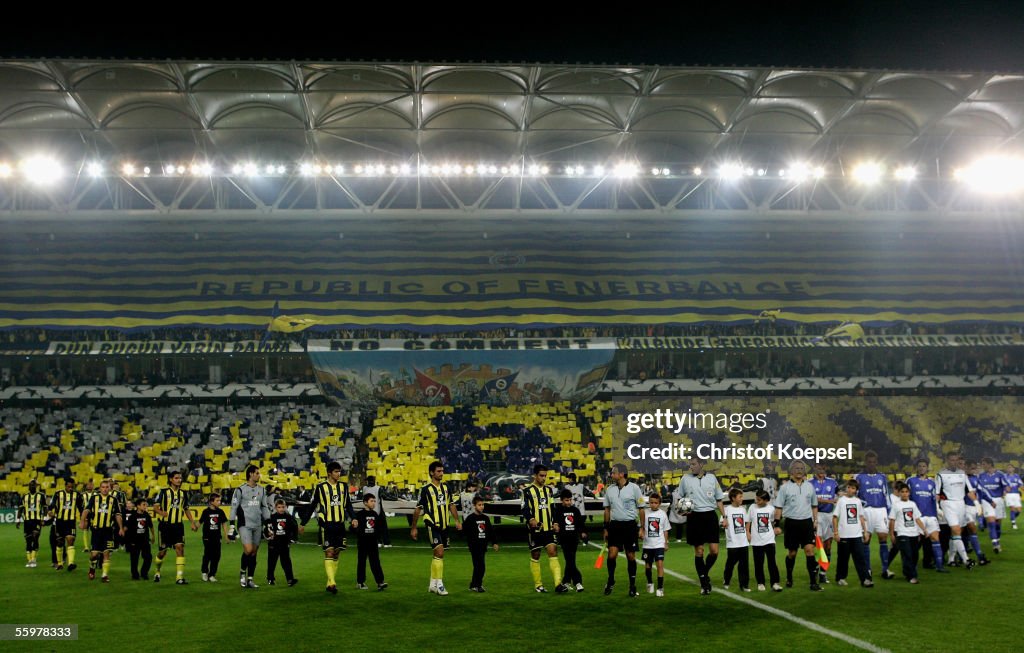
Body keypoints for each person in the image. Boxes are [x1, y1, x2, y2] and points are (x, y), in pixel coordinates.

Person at [300, 461, 355, 594]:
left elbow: (348, 504)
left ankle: (329, 583)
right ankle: (333, 583)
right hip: (327, 525)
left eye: (339, 471)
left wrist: (353, 518)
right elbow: (312, 506)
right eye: (336, 471)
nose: (339, 474)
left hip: (340, 525)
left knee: (336, 553)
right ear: (329, 473)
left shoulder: (343, 487)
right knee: (329, 552)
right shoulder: (320, 487)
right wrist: (303, 523)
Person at [410, 460, 462, 596]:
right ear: (432, 473)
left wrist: (457, 520)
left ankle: (432, 584)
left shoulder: (446, 488)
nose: (441, 473)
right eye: (439, 471)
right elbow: (418, 509)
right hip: (432, 525)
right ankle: (439, 584)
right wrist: (413, 527)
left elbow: (451, 505)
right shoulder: (426, 490)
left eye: (442, 471)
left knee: (438, 555)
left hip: (445, 526)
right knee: (439, 552)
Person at [676, 458, 724, 595]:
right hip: (694, 517)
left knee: (714, 551)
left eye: (693, 464)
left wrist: (724, 517)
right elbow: (680, 499)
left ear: (701, 464)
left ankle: (704, 572)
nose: (691, 467)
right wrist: (681, 510)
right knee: (700, 551)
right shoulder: (685, 479)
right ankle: (704, 583)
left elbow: (719, 499)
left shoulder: (712, 478)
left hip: (710, 516)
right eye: (690, 464)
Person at [775, 460, 822, 591]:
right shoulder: (785, 488)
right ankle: (789, 577)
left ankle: (813, 582)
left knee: (810, 551)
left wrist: (815, 520)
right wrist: (777, 524)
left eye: (802, 468)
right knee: (792, 553)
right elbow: (779, 507)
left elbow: (814, 505)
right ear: (791, 471)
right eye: (796, 468)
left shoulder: (809, 487)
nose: (799, 470)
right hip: (791, 523)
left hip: (806, 523)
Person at [602, 463, 646, 596]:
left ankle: (632, 586)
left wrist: (642, 528)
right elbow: (607, 509)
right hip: (615, 526)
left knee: (630, 556)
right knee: (612, 555)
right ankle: (611, 580)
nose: (611, 474)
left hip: (630, 526)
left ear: (621, 474)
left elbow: (641, 509)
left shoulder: (634, 488)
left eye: (613, 472)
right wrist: (606, 528)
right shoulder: (609, 489)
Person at [523, 464, 565, 593]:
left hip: (548, 528)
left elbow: (553, 508)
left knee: (553, 552)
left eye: (545, 476)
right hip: (535, 530)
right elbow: (524, 508)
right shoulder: (527, 491)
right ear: (535, 476)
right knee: (536, 555)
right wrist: (531, 519)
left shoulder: (549, 490)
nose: (543, 478)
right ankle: (538, 585)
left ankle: (558, 584)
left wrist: (556, 522)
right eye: (541, 476)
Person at [229, 465, 271, 589]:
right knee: (248, 550)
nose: (259, 475)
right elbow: (234, 507)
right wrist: (232, 525)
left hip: (257, 524)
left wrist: (268, 523)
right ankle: (242, 572)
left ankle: (250, 579)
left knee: (253, 553)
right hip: (245, 524)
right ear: (251, 474)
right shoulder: (240, 490)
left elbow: (264, 507)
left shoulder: (262, 490)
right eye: (257, 473)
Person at [153, 470, 199, 585]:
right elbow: (155, 506)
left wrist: (192, 522)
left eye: (180, 478)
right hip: (165, 526)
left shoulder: (183, 493)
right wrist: (161, 512)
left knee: (180, 548)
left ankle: (179, 577)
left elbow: (186, 508)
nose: (179, 480)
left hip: (178, 526)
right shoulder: (163, 492)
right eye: (177, 478)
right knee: (162, 552)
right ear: (170, 479)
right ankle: (157, 570)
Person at [855, 451, 894, 580]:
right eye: (869, 462)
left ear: (877, 462)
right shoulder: (859, 477)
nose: (872, 464)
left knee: (883, 538)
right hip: (866, 511)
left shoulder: (882, 477)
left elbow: (887, 495)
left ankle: (885, 569)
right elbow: (855, 497)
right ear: (866, 462)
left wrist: (889, 513)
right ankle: (868, 569)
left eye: (874, 462)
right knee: (866, 539)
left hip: (880, 510)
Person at [936, 451, 977, 568]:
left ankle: (951, 559)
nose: (954, 462)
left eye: (956, 460)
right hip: (948, 504)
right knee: (956, 529)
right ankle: (966, 560)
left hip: (961, 504)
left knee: (956, 533)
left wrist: (977, 503)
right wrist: (937, 507)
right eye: (952, 460)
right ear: (947, 460)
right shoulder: (941, 474)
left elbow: (969, 491)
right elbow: (937, 493)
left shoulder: (962, 473)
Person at [79, 479, 125, 583]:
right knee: (94, 554)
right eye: (103, 487)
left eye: (107, 487)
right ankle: (92, 568)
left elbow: (118, 514)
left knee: (106, 553)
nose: (105, 489)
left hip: (108, 530)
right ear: (100, 488)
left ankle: (104, 575)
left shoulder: (114, 500)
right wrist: (82, 521)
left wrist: (121, 528)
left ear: (110, 488)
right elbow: (86, 510)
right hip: (96, 530)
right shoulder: (94, 498)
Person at [908, 459, 947, 573]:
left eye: (924, 466)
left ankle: (939, 566)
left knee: (935, 538)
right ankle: (912, 566)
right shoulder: (911, 481)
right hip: (917, 516)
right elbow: (906, 497)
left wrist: (938, 510)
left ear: (927, 468)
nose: (921, 468)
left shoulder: (932, 483)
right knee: (916, 542)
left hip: (930, 515)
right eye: (919, 466)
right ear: (916, 468)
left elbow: (934, 498)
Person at [833, 479, 873, 587]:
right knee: (843, 558)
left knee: (860, 558)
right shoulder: (841, 500)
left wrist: (865, 531)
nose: (850, 490)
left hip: (856, 534)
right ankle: (840, 578)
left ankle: (865, 579)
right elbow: (835, 517)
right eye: (849, 487)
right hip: (844, 535)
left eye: (853, 488)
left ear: (856, 490)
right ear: (846, 488)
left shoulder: (858, 501)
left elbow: (861, 517)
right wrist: (836, 532)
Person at [889, 481, 925, 584]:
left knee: (915, 555)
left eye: (906, 491)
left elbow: (917, 518)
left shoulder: (912, 504)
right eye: (902, 492)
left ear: (909, 493)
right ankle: (911, 576)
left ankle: (907, 572)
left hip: (913, 533)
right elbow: (892, 520)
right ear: (899, 493)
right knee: (907, 554)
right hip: (902, 533)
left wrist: (923, 530)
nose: (905, 493)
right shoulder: (896, 505)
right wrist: (891, 534)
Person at [747, 489, 782, 591]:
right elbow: (748, 522)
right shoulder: (752, 508)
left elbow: (771, 522)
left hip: (769, 539)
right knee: (758, 563)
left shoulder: (771, 509)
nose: (757, 501)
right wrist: (748, 533)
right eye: (756, 499)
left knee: (772, 562)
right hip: (756, 541)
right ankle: (760, 583)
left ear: (766, 500)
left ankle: (775, 583)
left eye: (759, 500)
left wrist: (776, 529)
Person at [552, 488, 586, 591]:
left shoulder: (575, 510)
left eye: (570, 500)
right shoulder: (558, 511)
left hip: (574, 539)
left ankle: (566, 581)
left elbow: (580, 524)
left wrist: (583, 532)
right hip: (564, 539)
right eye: (567, 500)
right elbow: (555, 523)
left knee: (570, 561)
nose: (569, 502)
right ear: (561, 500)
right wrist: (555, 527)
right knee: (570, 561)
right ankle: (578, 582)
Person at [464, 495, 499, 592]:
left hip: (483, 546)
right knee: (480, 566)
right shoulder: (470, 518)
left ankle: (474, 585)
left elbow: (490, 531)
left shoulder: (485, 518)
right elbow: (464, 531)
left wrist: (494, 542)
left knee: (480, 567)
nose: (482, 506)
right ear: (474, 506)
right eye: (479, 505)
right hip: (474, 547)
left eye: (482, 505)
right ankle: (477, 585)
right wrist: (470, 542)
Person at [810, 463, 838, 584]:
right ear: (815, 469)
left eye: (823, 468)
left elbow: (838, 495)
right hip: (817, 515)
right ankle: (815, 572)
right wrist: (830, 501)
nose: (821, 470)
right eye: (818, 468)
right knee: (819, 544)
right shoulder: (810, 483)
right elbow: (813, 500)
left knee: (828, 546)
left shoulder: (833, 483)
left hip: (829, 515)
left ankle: (823, 573)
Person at [49, 477, 84, 572]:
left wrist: (83, 520)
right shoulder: (58, 494)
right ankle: (60, 563)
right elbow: (51, 505)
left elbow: (81, 508)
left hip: (70, 522)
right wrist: (49, 511)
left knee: (70, 540)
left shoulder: (77, 495)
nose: (70, 489)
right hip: (59, 522)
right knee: (60, 542)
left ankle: (71, 563)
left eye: (72, 487)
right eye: (69, 487)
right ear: (65, 486)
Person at [353, 493, 386, 590]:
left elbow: (378, 528)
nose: (374, 503)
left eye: (374, 501)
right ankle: (360, 582)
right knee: (362, 562)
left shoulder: (375, 514)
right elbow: (352, 528)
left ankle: (380, 582)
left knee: (376, 562)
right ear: (365, 503)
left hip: (373, 542)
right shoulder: (359, 514)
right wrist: (356, 529)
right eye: (371, 501)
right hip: (363, 542)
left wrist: (378, 538)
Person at [722, 487, 751, 592]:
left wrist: (748, 532)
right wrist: (723, 524)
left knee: (744, 565)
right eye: (740, 497)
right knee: (730, 564)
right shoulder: (726, 510)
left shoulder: (743, 509)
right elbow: (722, 522)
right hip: (732, 543)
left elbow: (747, 521)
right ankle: (726, 580)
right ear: (733, 498)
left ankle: (744, 585)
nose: (742, 498)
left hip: (743, 542)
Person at [641, 492, 670, 597]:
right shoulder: (644, 512)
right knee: (648, 566)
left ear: (659, 503)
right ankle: (649, 582)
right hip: (647, 545)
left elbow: (666, 530)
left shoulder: (662, 514)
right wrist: (641, 532)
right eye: (651, 502)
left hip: (659, 544)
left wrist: (666, 543)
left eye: (655, 503)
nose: (653, 504)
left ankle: (660, 588)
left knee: (660, 565)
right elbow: (641, 527)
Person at [977, 457, 1008, 553]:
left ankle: (997, 540)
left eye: (984, 464)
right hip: (987, 501)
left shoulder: (1000, 475)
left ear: (990, 464)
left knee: (998, 524)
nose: (982, 466)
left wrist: (1006, 490)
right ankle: (994, 543)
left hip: (999, 500)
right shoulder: (981, 476)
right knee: (991, 522)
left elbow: (1006, 485)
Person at [265, 499, 299, 587]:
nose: (281, 509)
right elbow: (266, 530)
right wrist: (268, 534)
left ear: (286, 507)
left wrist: (293, 538)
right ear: (275, 508)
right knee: (272, 562)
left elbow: (295, 528)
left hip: (284, 543)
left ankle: (290, 579)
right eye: (279, 507)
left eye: (283, 507)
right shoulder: (272, 517)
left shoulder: (289, 517)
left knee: (286, 562)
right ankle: (270, 578)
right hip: (273, 543)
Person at [200, 493, 228, 582]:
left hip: (217, 537)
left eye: (220, 500)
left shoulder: (220, 512)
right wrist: (195, 526)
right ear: (212, 502)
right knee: (208, 555)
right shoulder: (206, 512)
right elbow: (200, 522)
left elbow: (224, 523)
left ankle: (212, 574)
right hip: (207, 537)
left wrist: (226, 535)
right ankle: (204, 572)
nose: (219, 502)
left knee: (216, 556)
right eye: (217, 500)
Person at [17, 479, 46, 568]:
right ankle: (29, 560)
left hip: (37, 520)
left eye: (34, 485)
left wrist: (43, 519)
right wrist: (18, 520)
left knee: (35, 538)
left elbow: (45, 508)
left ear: (36, 486)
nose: (32, 486)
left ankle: (33, 559)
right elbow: (21, 509)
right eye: (31, 485)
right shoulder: (24, 496)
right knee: (28, 541)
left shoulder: (41, 496)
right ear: (28, 487)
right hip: (27, 521)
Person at [124, 497, 154, 580]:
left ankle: (144, 573)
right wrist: (122, 532)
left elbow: (151, 526)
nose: (145, 506)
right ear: (138, 506)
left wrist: (153, 536)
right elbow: (127, 528)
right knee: (134, 559)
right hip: (134, 541)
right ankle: (135, 575)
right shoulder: (133, 516)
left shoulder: (147, 515)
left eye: (146, 505)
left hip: (145, 540)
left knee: (148, 557)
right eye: (143, 505)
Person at [360, 475, 391, 547]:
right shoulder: (378, 488)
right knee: (383, 527)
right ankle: (386, 543)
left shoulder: (364, 488)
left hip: (368, 510)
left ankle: (378, 542)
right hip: (378, 510)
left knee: (372, 527)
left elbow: (363, 498)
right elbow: (384, 496)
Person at [1004, 464, 1022, 529]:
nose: (1009, 469)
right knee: (1012, 508)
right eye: (1008, 468)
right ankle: (1014, 523)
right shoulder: (1004, 476)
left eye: (1010, 468)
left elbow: (1020, 484)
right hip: (1008, 494)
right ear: (1006, 469)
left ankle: (1012, 517)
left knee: (1019, 510)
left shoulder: (1017, 476)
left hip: (1016, 494)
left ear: (1013, 469)